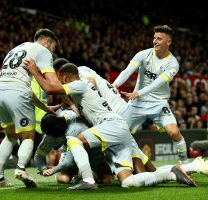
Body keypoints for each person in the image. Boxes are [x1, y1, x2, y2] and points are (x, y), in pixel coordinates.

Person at [25, 61, 197, 190]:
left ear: (64, 77)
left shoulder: (80, 84)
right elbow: (70, 96)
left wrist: (34, 70)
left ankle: (88, 181)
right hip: (116, 127)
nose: (59, 82)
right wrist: (63, 106)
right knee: (128, 181)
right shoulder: (81, 89)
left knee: (74, 141)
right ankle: (173, 173)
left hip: (111, 124)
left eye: (59, 79)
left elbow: (50, 88)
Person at [0, 28, 66, 188]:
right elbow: (54, 84)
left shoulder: (17, 48)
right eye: (53, 47)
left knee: (10, 136)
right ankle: (20, 168)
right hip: (18, 93)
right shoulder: (43, 51)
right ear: (47, 42)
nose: (52, 51)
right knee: (27, 137)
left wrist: (45, 107)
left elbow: (24, 87)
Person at [112, 25, 189, 164]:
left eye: (159, 39)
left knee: (174, 133)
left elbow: (157, 84)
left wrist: (138, 93)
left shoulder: (173, 64)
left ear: (168, 42)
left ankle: (185, 165)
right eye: (154, 38)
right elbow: (127, 71)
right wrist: (114, 85)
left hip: (158, 103)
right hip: (137, 104)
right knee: (116, 131)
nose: (155, 41)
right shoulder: (143, 54)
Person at [35, 110, 114, 184]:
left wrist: (53, 169)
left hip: (91, 148)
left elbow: (67, 163)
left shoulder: (74, 128)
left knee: (107, 180)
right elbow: (38, 156)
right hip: (69, 150)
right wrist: (43, 169)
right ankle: (79, 173)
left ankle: (86, 172)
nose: (54, 138)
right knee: (64, 179)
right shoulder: (50, 135)